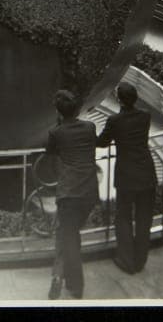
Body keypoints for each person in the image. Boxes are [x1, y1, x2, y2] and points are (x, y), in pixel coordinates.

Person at [95, 83, 156, 274]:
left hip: (127, 174)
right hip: (146, 171)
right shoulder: (145, 116)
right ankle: (140, 260)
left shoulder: (115, 120)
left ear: (119, 100)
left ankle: (127, 261)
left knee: (123, 217)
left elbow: (102, 142)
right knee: (144, 218)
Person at [43, 89, 99, 299]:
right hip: (89, 191)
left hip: (69, 192)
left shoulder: (56, 133)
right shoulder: (90, 127)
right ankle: (58, 275)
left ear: (58, 112)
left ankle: (74, 284)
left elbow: (51, 152)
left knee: (69, 237)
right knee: (66, 232)